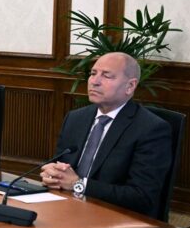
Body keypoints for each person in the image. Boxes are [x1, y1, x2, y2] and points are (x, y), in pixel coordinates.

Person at [40, 52, 172, 218]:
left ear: (130, 86)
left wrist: (78, 184)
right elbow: (61, 165)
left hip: (117, 218)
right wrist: (52, 174)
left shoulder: (151, 129)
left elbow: (142, 196)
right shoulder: (76, 118)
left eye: (106, 76)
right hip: (67, 208)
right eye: (93, 73)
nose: (94, 81)